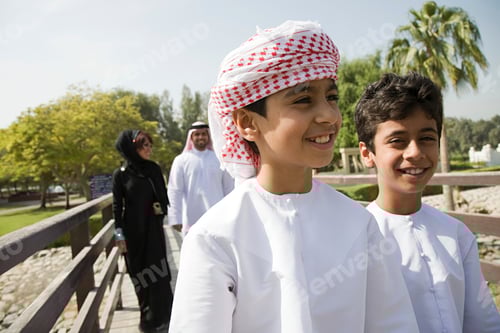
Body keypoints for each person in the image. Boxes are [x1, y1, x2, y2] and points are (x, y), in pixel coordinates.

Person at [168, 20, 419, 333]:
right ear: (247, 122)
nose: (329, 115)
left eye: (332, 97)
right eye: (303, 100)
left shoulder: (359, 223)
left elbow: (393, 324)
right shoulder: (215, 237)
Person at [355, 72, 500, 333]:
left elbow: (483, 321)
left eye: (427, 138)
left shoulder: (457, 235)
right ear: (368, 153)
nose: (415, 153)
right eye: (397, 141)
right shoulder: (355, 240)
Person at [112, 130, 173, 333]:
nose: (149, 149)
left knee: (159, 275)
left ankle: (164, 319)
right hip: (133, 235)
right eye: (144, 145)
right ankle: (147, 319)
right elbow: (116, 207)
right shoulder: (120, 175)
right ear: (132, 148)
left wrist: (160, 207)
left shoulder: (153, 169)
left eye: (150, 144)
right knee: (140, 276)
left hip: (153, 232)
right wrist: (119, 235)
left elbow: (163, 197)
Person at [167, 121, 234, 235]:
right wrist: (175, 218)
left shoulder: (219, 158)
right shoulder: (181, 160)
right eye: (197, 134)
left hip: (218, 217)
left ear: (208, 136)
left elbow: (229, 188)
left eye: (204, 134)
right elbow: (175, 190)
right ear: (191, 137)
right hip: (192, 219)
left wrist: (232, 213)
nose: (201, 137)